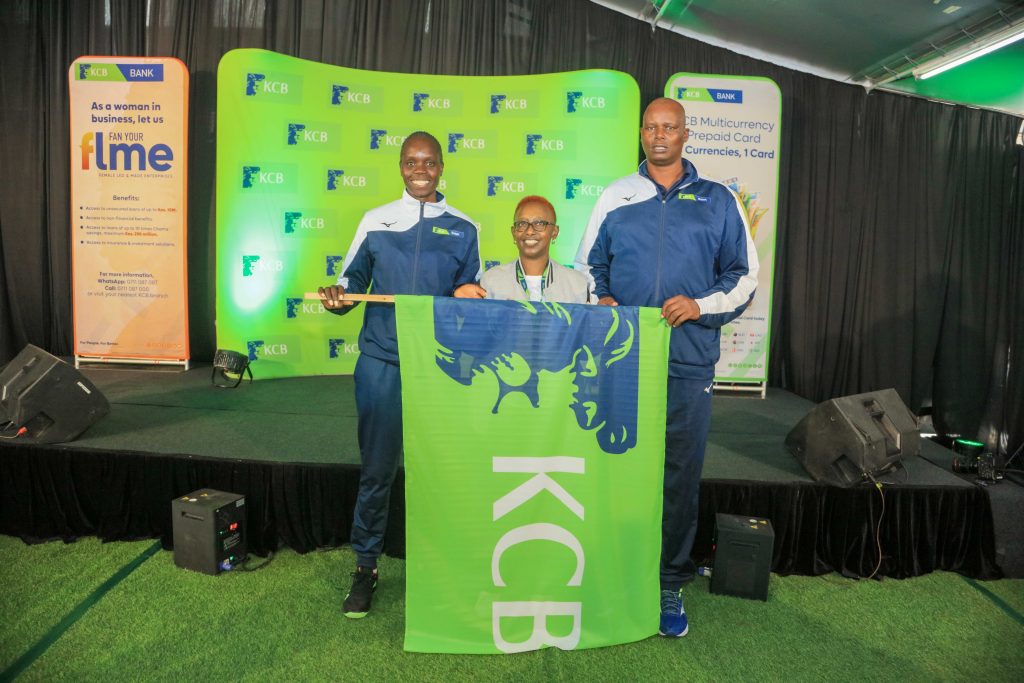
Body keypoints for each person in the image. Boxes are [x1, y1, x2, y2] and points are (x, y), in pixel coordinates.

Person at [574, 97, 759, 638]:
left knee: (678, 475)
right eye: (651, 127)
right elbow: (589, 266)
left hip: (688, 361)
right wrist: (603, 299)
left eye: (669, 127)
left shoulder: (719, 200)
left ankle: (669, 581)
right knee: (614, 465)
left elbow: (743, 277)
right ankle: (610, 569)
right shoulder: (616, 195)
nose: (660, 135)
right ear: (642, 134)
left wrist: (699, 306)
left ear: (685, 134)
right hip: (622, 359)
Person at [318, 131, 485, 619]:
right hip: (381, 362)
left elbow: (470, 294)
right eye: (412, 162)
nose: (420, 170)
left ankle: (445, 567)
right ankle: (366, 566)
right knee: (377, 472)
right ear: (400, 166)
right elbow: (351, 282)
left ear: (441, 167)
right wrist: (337, 297)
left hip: (438, 367)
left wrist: (468, 294)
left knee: (444, 471)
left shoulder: (465, 227)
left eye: (429, 162)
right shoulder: (376, 221)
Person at [480, 195, 590, 304]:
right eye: (522, 224)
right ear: (514, 232)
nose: (529, 231)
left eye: (539, 223)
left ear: (554, 232)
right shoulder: (491, 281)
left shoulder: (577, 284)